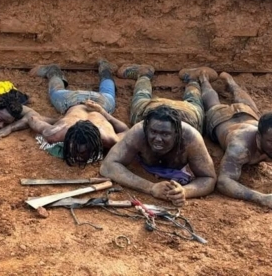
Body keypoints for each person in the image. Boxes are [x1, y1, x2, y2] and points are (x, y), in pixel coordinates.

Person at [100, 65, 217, 207]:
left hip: (187, 113)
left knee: (195, 103)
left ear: (177, 134)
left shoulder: (191, 138)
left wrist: (185, 191)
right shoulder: (139, 131)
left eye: (165, 134)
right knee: (140, 99)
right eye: (154, 132)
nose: (158, 139)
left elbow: (209, 178)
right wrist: (150, 187)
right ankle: (143, 74)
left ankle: (193, 79)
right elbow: (108, 166)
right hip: (150, 108)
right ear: (147, 128)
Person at [26, 60, 129, 167]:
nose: (79, 156)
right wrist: (102, 112)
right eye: (76, 150)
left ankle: (53, 70)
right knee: (107, 92)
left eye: (83, 152)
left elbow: (33, 119)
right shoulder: (108, 138)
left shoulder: (58, 132)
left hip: (75, 101)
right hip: (96, 103)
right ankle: (105, 67)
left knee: (57, 91)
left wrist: (60, 121)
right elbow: (126, 131)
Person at [199, 71, 272, 208]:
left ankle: (231, 83)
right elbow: (224, 182)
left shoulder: (266, 136)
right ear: (258, 136)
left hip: (248, 116)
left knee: (248, 105)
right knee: (212, 104)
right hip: (221, 119)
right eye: (271, 142)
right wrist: (261, 198)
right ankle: (204, 80)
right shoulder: (240, 147)